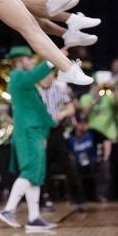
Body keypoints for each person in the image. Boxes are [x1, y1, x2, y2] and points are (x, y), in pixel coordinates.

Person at [0, 46, 57, 231]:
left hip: (34, 130)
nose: (32, 62)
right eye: (29, 59)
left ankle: (34, 218)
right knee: (31, 171)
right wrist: (54, 58)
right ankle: (8, 209)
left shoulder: (23, 80)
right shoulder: (17, 76)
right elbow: (36, 75)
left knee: (36, 174)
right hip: (29, 131)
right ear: (20, 61)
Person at [39, 71, 82, 208]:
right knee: (42, 166)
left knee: (67, 163)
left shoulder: (60, 87)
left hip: (56, 130)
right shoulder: (35, 88)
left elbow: (71, 109)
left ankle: (77, 198)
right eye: (49, 74)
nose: (52, 76)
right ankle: (47, 199)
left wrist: (61, 113)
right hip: (41, 130)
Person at [68, 112, 111, 202]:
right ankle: (78, 196)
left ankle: (101, 195)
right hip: (77, 163)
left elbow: (106, 141)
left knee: (104, 165)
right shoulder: (70, 134)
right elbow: (66, 151)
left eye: (85, 123)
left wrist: (106, 156)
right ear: (76, 123)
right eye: (81, 123)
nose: (83, 125)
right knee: (71, 165)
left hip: (92, 161)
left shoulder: (92, 132)